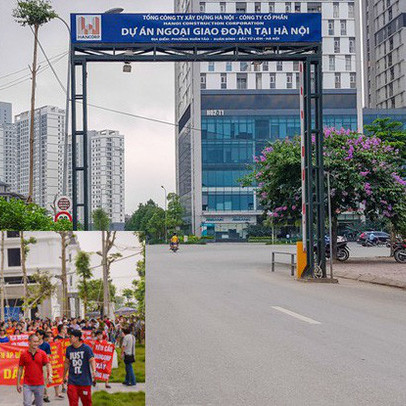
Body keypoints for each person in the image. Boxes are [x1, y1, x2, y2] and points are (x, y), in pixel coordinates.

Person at [17, 334, 52, 406]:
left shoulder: (42, 353)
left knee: (39, 404)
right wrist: (18, 383)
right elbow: (20, 369)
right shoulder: (23, 354)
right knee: (27, 404)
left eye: (37, 342)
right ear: (29, 342)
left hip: (40, 384)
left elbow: (48, 364)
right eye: (34, 341)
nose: (36, 343)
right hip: (27, 384)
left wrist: (50, 375)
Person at [63, 330, 96, 406]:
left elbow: (92, 360)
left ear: (77, 338)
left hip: (85, 382)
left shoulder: (87, 348)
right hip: (72, 381)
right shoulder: (69, 349)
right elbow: (67, 363)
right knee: (73, 403)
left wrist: (94, 371)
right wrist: (64, 376)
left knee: (87, 403)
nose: (69, 339)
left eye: (71, 337)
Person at [37, 330, 52, 403]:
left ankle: (45, 396)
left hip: (43, 365)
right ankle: (36, 397)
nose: (37, 336)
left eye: (38, 335)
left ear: (41, 336)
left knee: (44, 380)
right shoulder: (34, 344)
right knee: (35, 381)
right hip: (35, 365)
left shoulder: (46, 345)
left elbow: (48, 355)